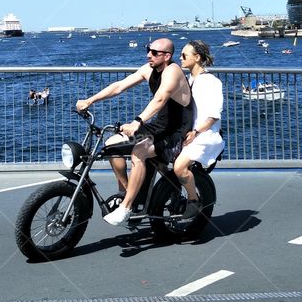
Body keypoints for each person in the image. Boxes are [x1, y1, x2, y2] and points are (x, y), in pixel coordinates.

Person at [76, 38, 191, 226]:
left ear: (167, 56)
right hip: (158, 127)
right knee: (111, 144)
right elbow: (120, 86)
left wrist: (137, 121)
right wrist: (90, 100)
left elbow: (161, 99)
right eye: (148, 50)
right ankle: (127, 192)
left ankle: (127, 208)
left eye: (154, 52)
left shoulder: (173, 71)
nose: (148, 55)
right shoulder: (149, 69)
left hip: (176, 132)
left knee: (139, 151)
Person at [174, 40, 224, 220]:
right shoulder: (188, 80)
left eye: (184, 55)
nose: (180, 58)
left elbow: (213, 115)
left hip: (205, 135)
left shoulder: (211, 82)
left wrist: (196, 132)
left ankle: (193, 200)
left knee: (179, 167)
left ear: (197, 57)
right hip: (189, 134)